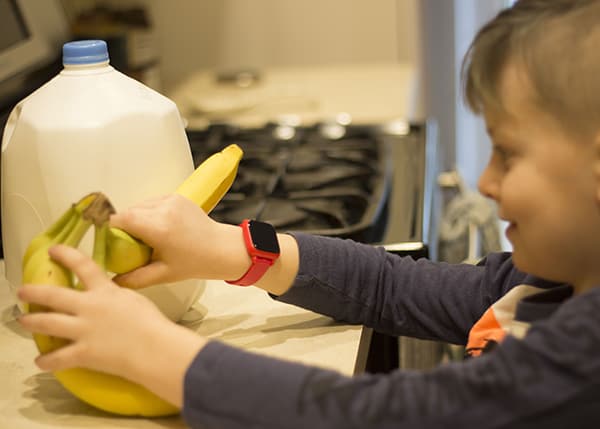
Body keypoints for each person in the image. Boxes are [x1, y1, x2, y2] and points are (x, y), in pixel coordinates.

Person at [17, 0, 600, 427]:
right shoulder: (549, 284)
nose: (485, 180)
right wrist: (240, 252)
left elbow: (395, 415)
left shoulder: (586, 355)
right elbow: (397, 287)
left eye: (509, 153)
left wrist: (159, 353)